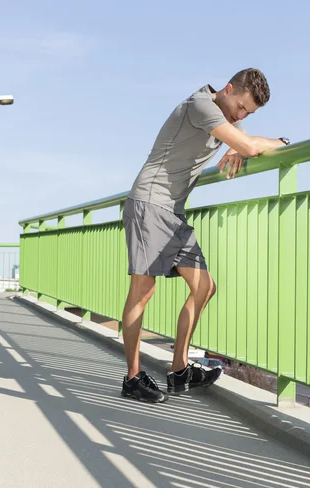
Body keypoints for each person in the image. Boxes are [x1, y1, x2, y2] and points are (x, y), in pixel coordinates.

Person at [121, 68, 290, 403]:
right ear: (227, 90)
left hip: (173, 211)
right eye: (241, 108)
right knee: (143, 291)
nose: (241, 116)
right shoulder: (202, 105)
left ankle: (180, 369)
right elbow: (248, 145)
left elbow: (242, 144)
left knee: (205, 286)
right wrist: (275, 142)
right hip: (150, 203)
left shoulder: (228, 113)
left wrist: (241, 146)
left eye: (248, 113)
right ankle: (132, 378)